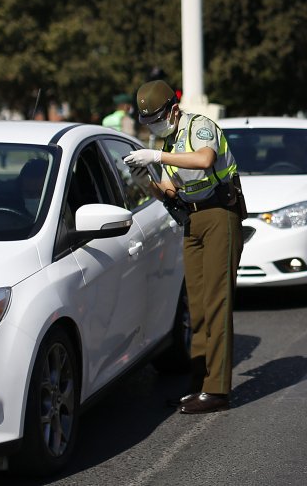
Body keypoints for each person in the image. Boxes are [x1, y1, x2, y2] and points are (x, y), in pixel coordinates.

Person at [123, 80, 245, 415]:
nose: (154, 126)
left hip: (220, 215)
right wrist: (144, 181)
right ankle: (199, 384)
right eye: (147, 122)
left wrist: (158, 155)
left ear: (173, 109)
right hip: (192, 222)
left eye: (157, 118)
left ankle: (217, 390)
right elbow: (172, 192)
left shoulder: (199, 127)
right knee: (198, 305)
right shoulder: (170, 140)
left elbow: (205, 160)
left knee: (217, 301)